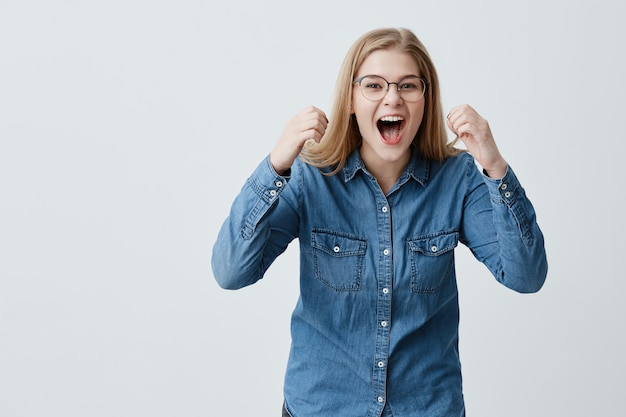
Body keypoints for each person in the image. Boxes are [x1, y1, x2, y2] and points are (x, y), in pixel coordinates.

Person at [211, 27, 547, 417]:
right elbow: (231, 271)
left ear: (426, 99)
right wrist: (276, 165)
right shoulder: (309, 178)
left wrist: (495, 165)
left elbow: (526, 277)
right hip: (321, 407)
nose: (393, 98)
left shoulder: (459, 178)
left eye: (408, 86)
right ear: (351, 99)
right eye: (374, 85)